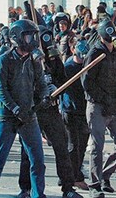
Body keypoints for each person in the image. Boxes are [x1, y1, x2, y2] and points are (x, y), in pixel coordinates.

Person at [0, 20, 49, 198]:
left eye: (34, 36)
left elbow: (41, 83)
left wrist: (45, 96)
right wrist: (14, 108)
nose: (32, 40)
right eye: (29, 36)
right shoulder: (5, 60)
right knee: (0, 157)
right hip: (7, 115)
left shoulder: (34, 60)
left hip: (29, 115)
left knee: (37, 159)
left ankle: (38, 194)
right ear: (17, 37)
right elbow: (1, 89)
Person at [18, 26, 83, 198]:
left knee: (62, 147)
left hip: (51, 110)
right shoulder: (26, 58)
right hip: (32, 110)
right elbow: (21, 83)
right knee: (28, 151)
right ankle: (25, 188)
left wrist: (56, 89)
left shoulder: (53, 59)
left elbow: (63, 80)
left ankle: (68, 188)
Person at [82, 20, 116, 198]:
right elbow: (86, 82)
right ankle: (95, 184)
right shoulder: (94, 53)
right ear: (102, 37)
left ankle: (105, 176)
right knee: (97, 146)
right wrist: (103, 99)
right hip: (98, 105)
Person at [62, 39, 91, 191]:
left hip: (84, 111)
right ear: (73, 50)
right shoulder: (68, 67)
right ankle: (73, 177)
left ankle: (70, 174)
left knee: (82, 145)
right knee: (73, 146)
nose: (81, 59)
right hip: (70, 111)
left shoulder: (88, 66)